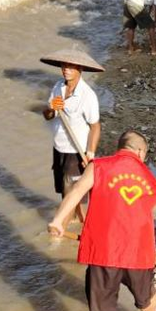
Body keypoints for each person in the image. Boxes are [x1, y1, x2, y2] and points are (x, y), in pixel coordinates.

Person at [48, 131, 156, 311]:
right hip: (138, 252)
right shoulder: (149, 178)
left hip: (103, 251)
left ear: (119, 147)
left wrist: (58, 220)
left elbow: (77, 191)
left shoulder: (98, 166)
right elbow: (147, 207)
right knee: (146, 296)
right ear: (140, 152)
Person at [40, 49, 103, 230]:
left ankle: (61, 228)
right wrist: (51, 108)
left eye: (70, 66)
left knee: (72, 191)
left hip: (77, 151)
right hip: (59, 146)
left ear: (79, 69)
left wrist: (90, 152)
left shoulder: (87, 95)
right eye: (63, 66)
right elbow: (47, 116)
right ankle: (78, 220)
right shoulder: (58, 86)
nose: (65, 70)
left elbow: (95, 126)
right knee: (62, 189)